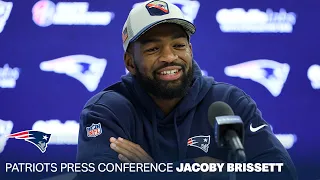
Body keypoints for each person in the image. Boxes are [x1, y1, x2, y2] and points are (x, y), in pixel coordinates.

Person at [76, 0, 297, 179]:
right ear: (130, 62)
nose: (170, 57)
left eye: (178, 45)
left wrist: (153, 171)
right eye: (153, 49)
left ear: (190, 50)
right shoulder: (106, 111)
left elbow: (280, 172)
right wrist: (199, 171)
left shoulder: (228, 103)